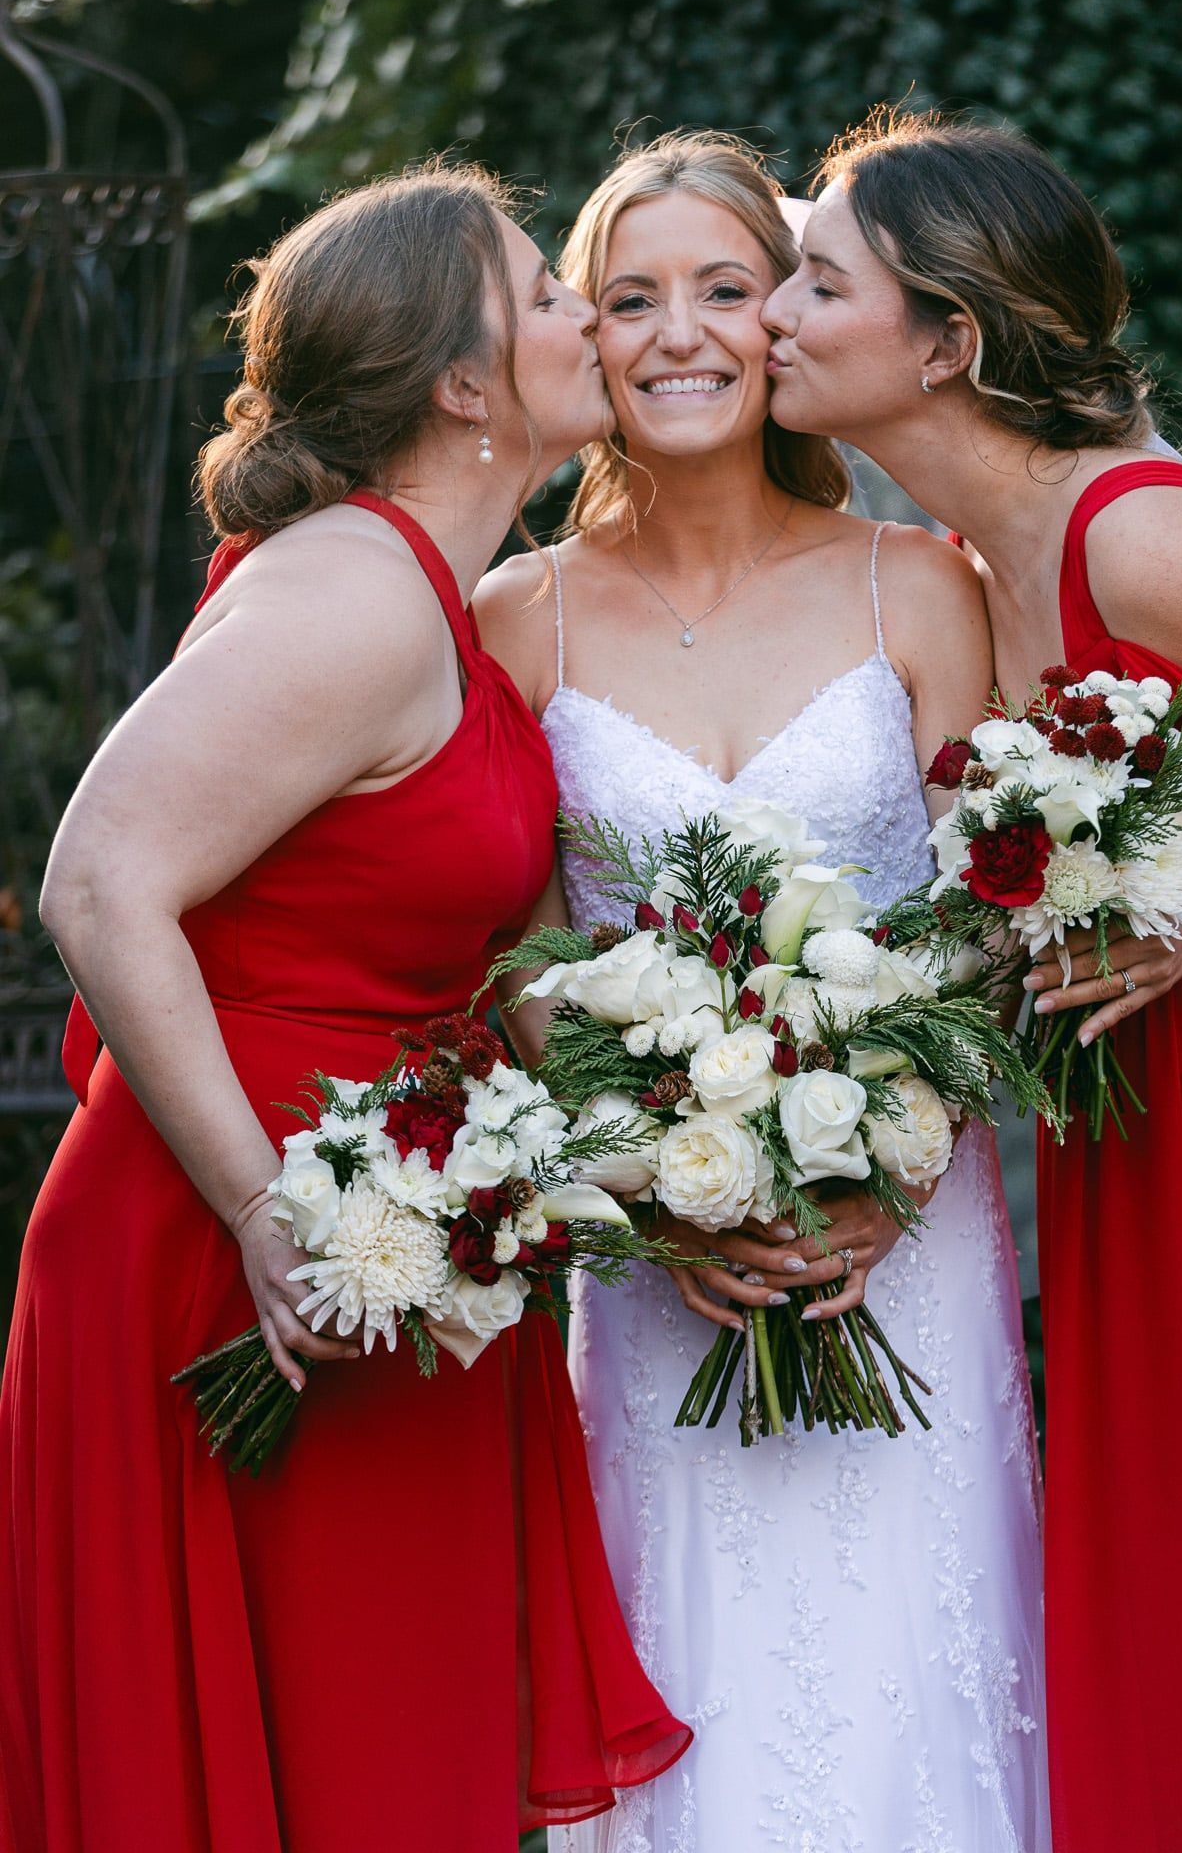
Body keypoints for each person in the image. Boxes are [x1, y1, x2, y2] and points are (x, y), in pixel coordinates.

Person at [0, 162, 689, 1853]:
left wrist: (686, 1160)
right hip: (248, 1261)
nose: (583, 316)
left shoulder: (435, 597)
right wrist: (263, 1208)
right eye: (545, 292)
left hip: (400, 1228)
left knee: (373, 1749)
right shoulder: (353, 589)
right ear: (461, 383)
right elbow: (97, 884)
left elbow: (490, 954)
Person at [761, 106, 1182, 1853]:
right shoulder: (966, 570)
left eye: (814, 282)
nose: (771, 319)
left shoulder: (1137, 539)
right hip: (1146, 1116)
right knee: (1179, 1556)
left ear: (944, 338)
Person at [476, 131, 1049, 1853]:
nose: (681, 334)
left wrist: (891, 1160)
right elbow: (507, 965)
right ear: (582, 335)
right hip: (666, 1276)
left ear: (789, 324)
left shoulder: (921, 584)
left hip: (912, 1248)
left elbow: (1008, 916)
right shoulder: (518, 622)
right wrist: (652, 1186)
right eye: (630, 297)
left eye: (727, 289)